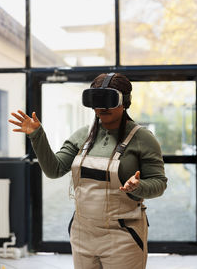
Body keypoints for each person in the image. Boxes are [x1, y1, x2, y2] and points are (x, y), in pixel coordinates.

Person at [9, 72, 167, 269]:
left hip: (123, 236)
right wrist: (37, 136)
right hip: (83, 235)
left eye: (107, 99)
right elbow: (54, 169)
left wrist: (139, 186)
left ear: (125, 101)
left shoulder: (143, 138)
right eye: (95, 100)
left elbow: (159, 183)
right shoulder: (83, 135)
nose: (101, 107)